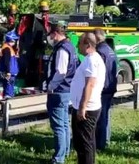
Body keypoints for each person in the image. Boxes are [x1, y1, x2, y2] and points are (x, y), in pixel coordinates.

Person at [70, 32, 106, 164]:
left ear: (88, 45)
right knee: (81, 142)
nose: (77, 45)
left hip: (87, 108)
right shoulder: (89, 58)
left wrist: (82, 107)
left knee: (85, 143)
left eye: (79, 42)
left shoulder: (92, 60)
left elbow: (90, 84)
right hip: (83, 106)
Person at [45, 23, 78, 164]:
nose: (49, 37)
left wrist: (51, 86)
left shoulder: (62, 49)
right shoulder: (69, 46)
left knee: (58, 126)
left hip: (59, 91)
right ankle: (64, 152)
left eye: (50, 34)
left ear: (55, 33)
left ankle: (59, 159)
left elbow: (61, 71)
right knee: (64, 124)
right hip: (66, 90)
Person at [93, 29, 118, 151]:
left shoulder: (99, 52)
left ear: (96, 38)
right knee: (106, 115)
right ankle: (106, 139)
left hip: (103, 88)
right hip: (110, 87)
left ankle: (100, 145)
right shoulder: (110, 50)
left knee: (101, 117)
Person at [0, 30, 19, 99]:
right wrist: (8, 72)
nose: (15, 42)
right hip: (8, 73)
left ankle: (7, 106)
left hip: (11, 73)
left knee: (9, 89)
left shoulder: (9, 48)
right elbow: (7, 61)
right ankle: (6, 106)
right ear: (11, 39)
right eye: (14, 40)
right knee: (8, 91)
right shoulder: (7, 48)